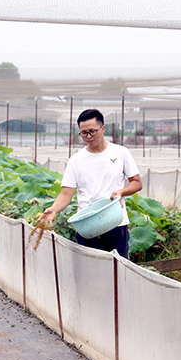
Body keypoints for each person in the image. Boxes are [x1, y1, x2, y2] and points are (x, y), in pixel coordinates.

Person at [38, 109, 142, 259]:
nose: (88, 136)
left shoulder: (121, 153)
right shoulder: (76, 160)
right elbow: (66, 193)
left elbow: (137, 183)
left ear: (103, 128)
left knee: (118, 272)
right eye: (84, 133)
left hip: (115, 224)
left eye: (92, 131)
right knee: (88, 273)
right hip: (87, 227)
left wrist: (121, 192)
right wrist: (54, 210)